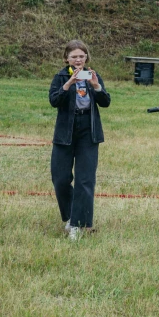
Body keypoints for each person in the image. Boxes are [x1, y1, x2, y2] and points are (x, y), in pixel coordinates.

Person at [49, 40, 111, 241]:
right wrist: (68, 84)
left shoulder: (93, 75)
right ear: (67, 58)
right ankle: (70, 216)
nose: (78, 60)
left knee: (85, 179)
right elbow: (53, 101)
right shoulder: (60, 77)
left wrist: (97, 86)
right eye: (74, 56)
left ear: (86, 58)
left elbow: (106, 102)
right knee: (60, 178)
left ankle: (77, 224)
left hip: (88, 130)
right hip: (66, 130)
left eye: (81, 56)